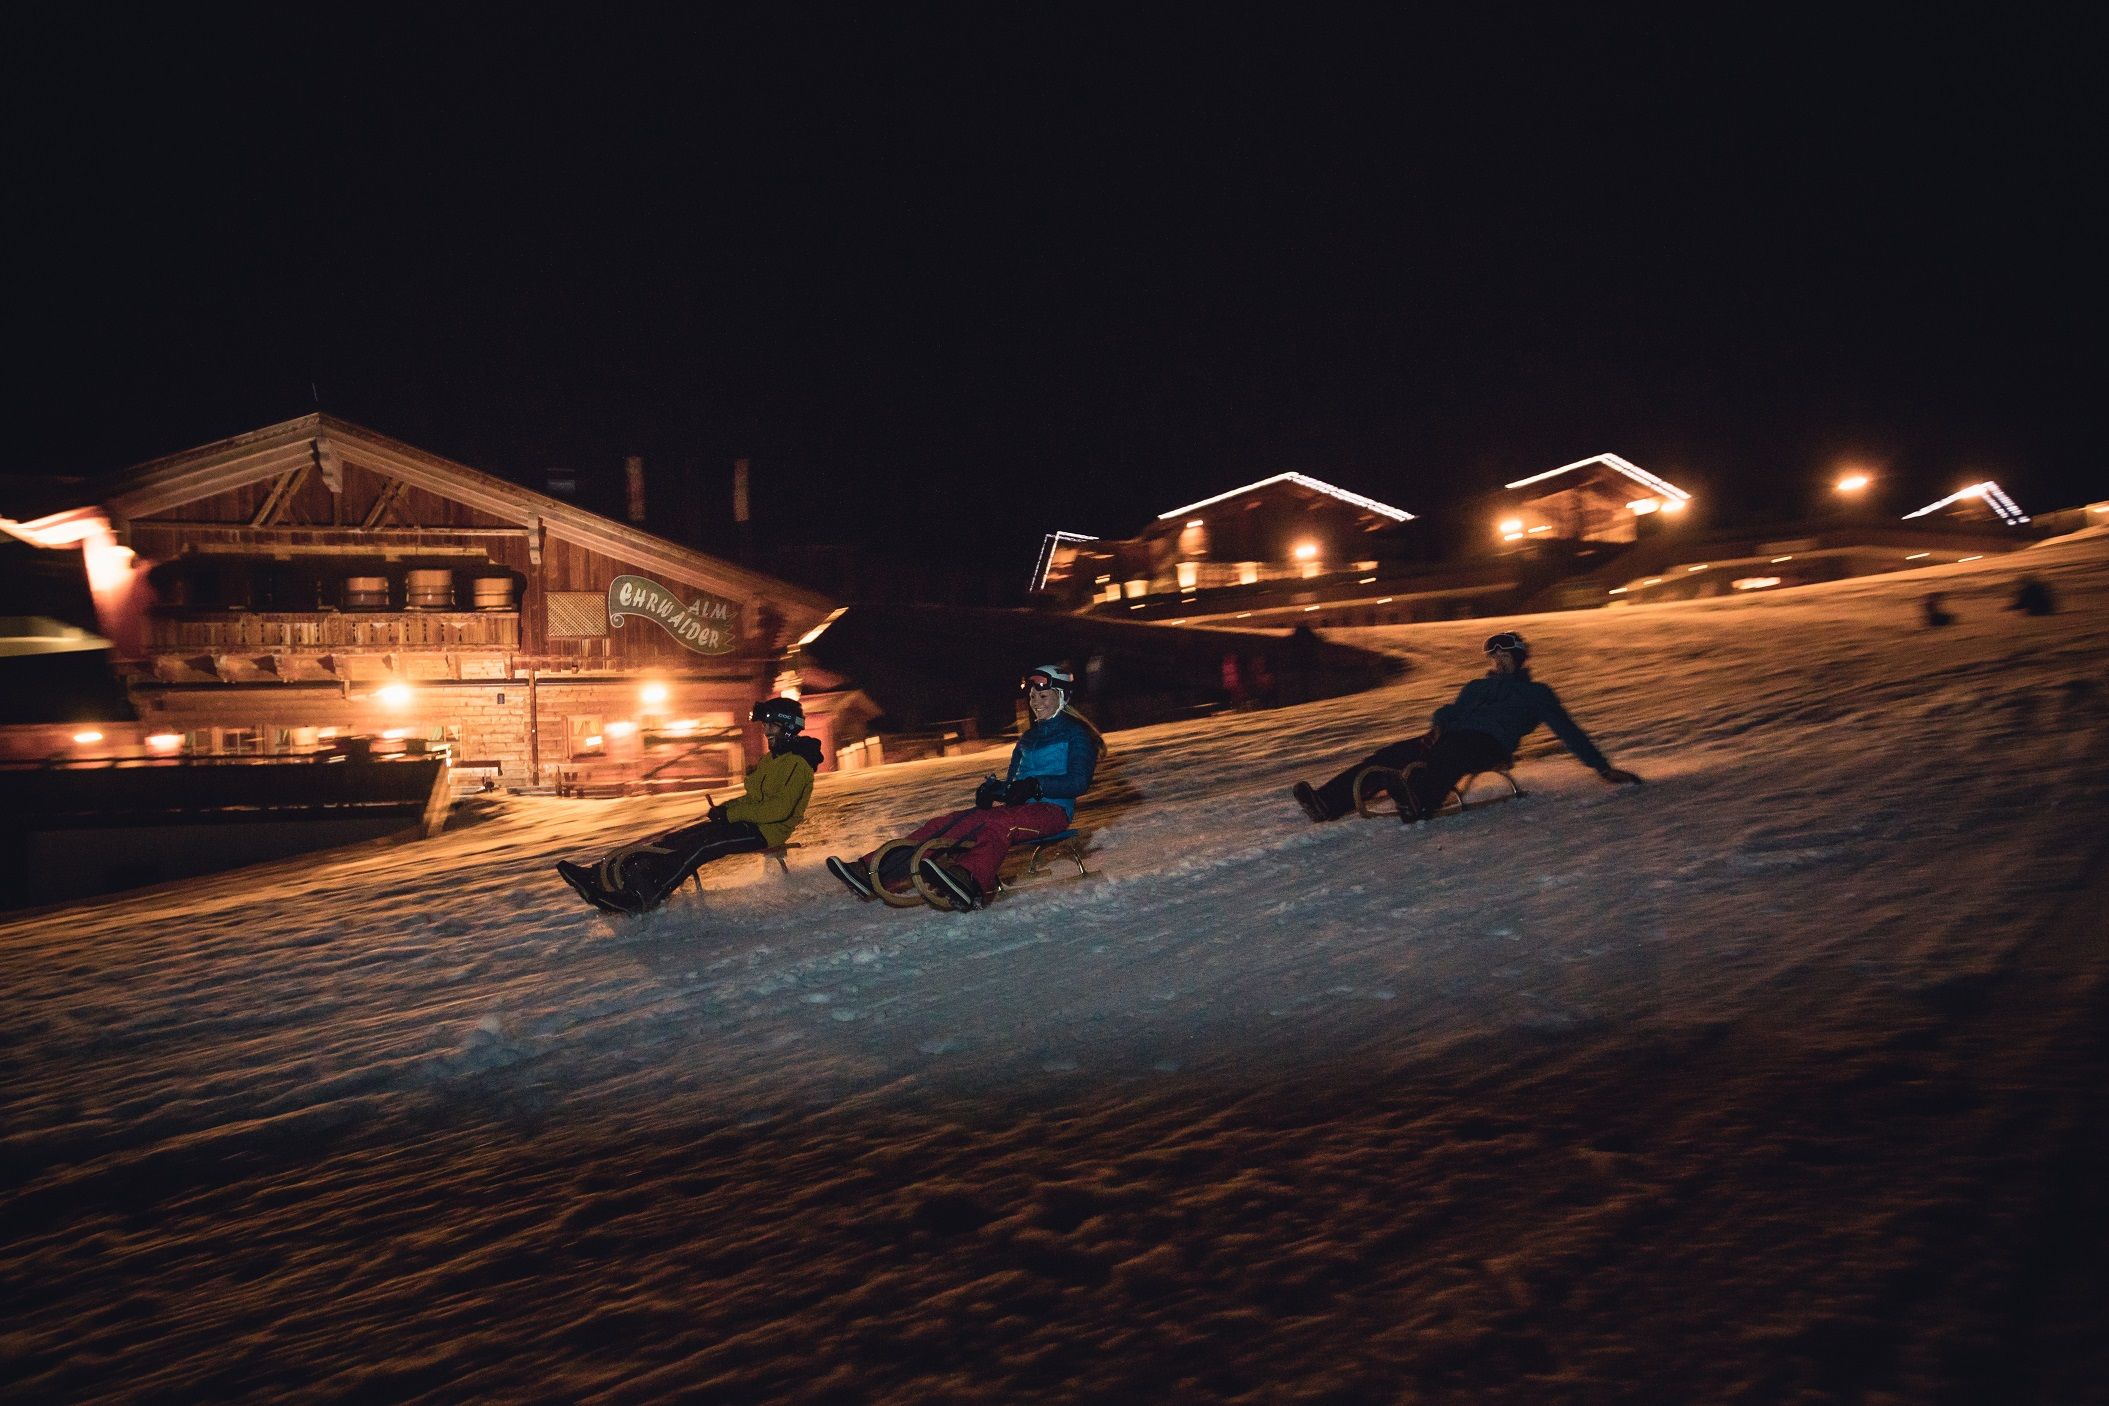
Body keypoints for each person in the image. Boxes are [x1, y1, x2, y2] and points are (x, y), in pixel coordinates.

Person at [828, 664, 1103, 911]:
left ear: (1062, 698)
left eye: (1043, 696)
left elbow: (1079, 782)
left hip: (1052, 812)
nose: (1035, 702)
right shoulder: (1028, 739)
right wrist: (996, 790)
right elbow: (1013, 782)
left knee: (1000, 824)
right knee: (950, 822)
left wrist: (1035, 786)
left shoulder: (1077, 735)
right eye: (1032, 697)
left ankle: (968, 879)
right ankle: (869, 871)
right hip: (1018, 811)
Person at [1290, 631, 1642, 824]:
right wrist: (1440, 723)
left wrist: (1602, 767)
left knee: (1451, 754)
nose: (1499, 661)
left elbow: (1568, 730)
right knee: (1390, 755)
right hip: (1453, 734)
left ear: (1519, 659)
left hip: (1491, 744)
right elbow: (1453, 713)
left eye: (1506, 656)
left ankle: (1419, 800)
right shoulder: (1475, 688)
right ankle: (1327, 802)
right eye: (1495, 657)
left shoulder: (1536, 693)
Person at [555, 696, 822, 915]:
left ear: (787, 727)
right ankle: (600, 876)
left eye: (770, 726)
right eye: (765, 726)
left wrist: (732, 813)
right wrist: (725, 809)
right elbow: (755, 800)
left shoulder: (797, 765)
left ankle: (644, 897)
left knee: (700, 848)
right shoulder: (773, 760)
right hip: (749, 823)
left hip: (766, 832)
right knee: (675, 839)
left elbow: (779, 809)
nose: (766, 732)